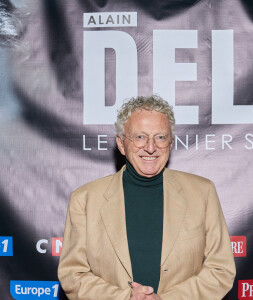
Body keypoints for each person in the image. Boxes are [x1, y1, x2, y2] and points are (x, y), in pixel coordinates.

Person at [58, 95, 236, 300]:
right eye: (140, 137)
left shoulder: (202, 193)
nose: (150, 147)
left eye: (160, 137)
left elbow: (221, 270)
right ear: (122, 143)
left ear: (170, 144)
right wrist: (124, 298)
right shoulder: (85, 200)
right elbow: (73, 274)